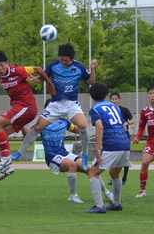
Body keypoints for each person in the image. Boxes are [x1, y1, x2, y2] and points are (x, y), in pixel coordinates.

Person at [10, 43, 97, 179]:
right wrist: (34, 79)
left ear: (72, 59)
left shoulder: (79, 67)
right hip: (55, 104)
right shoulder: (53, 65)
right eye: (61, 59)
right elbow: (42, 79)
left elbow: (91, 80)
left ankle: (85, 155)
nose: (63, 62)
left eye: (66, 60)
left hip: (71, 104)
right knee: (38, 127)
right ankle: (19, 153)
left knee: (83, 125)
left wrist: (92, 69)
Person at [0, 51, 55, 177]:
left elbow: (38, 69)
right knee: (2, 134)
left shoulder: (17, 70)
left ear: (7, 63)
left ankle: (5, 159)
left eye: (2, 65)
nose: (0, 68)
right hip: (20, 108)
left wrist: (49, 84)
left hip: (26, 106)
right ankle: (7, 168)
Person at [36, 99, 114, 204]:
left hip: (64, 153)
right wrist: (21, 126)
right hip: (52, 156)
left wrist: (82, 122)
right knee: (71, 165)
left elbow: (78, 129)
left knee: (90, 169)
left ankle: (107, 192)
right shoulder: (42, 124)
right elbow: (29, 132)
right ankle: (73, 196)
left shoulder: (64, 122)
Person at [84, 82, 132, 213]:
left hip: (112, 145)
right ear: (106, 94)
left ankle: (99, 206)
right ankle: (116, 204)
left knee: (93, 173)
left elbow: (99, 126)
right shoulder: (115, 107)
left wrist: (97, 148)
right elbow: (123, 125)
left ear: (91, 95)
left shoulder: (95, 109)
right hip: (125, 143)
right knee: (114, 173)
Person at [108, 92, 134, 185]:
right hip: (113, 136)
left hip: (124, 136)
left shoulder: (124, 110)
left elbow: (132, 120)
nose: (114, 101)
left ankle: (124, 177)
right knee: (113, 157)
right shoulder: (108, 111)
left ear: (119, 100)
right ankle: (114, 177)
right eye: (112, 99)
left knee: (125, 157)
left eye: (116, 99)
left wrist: (127, 123)